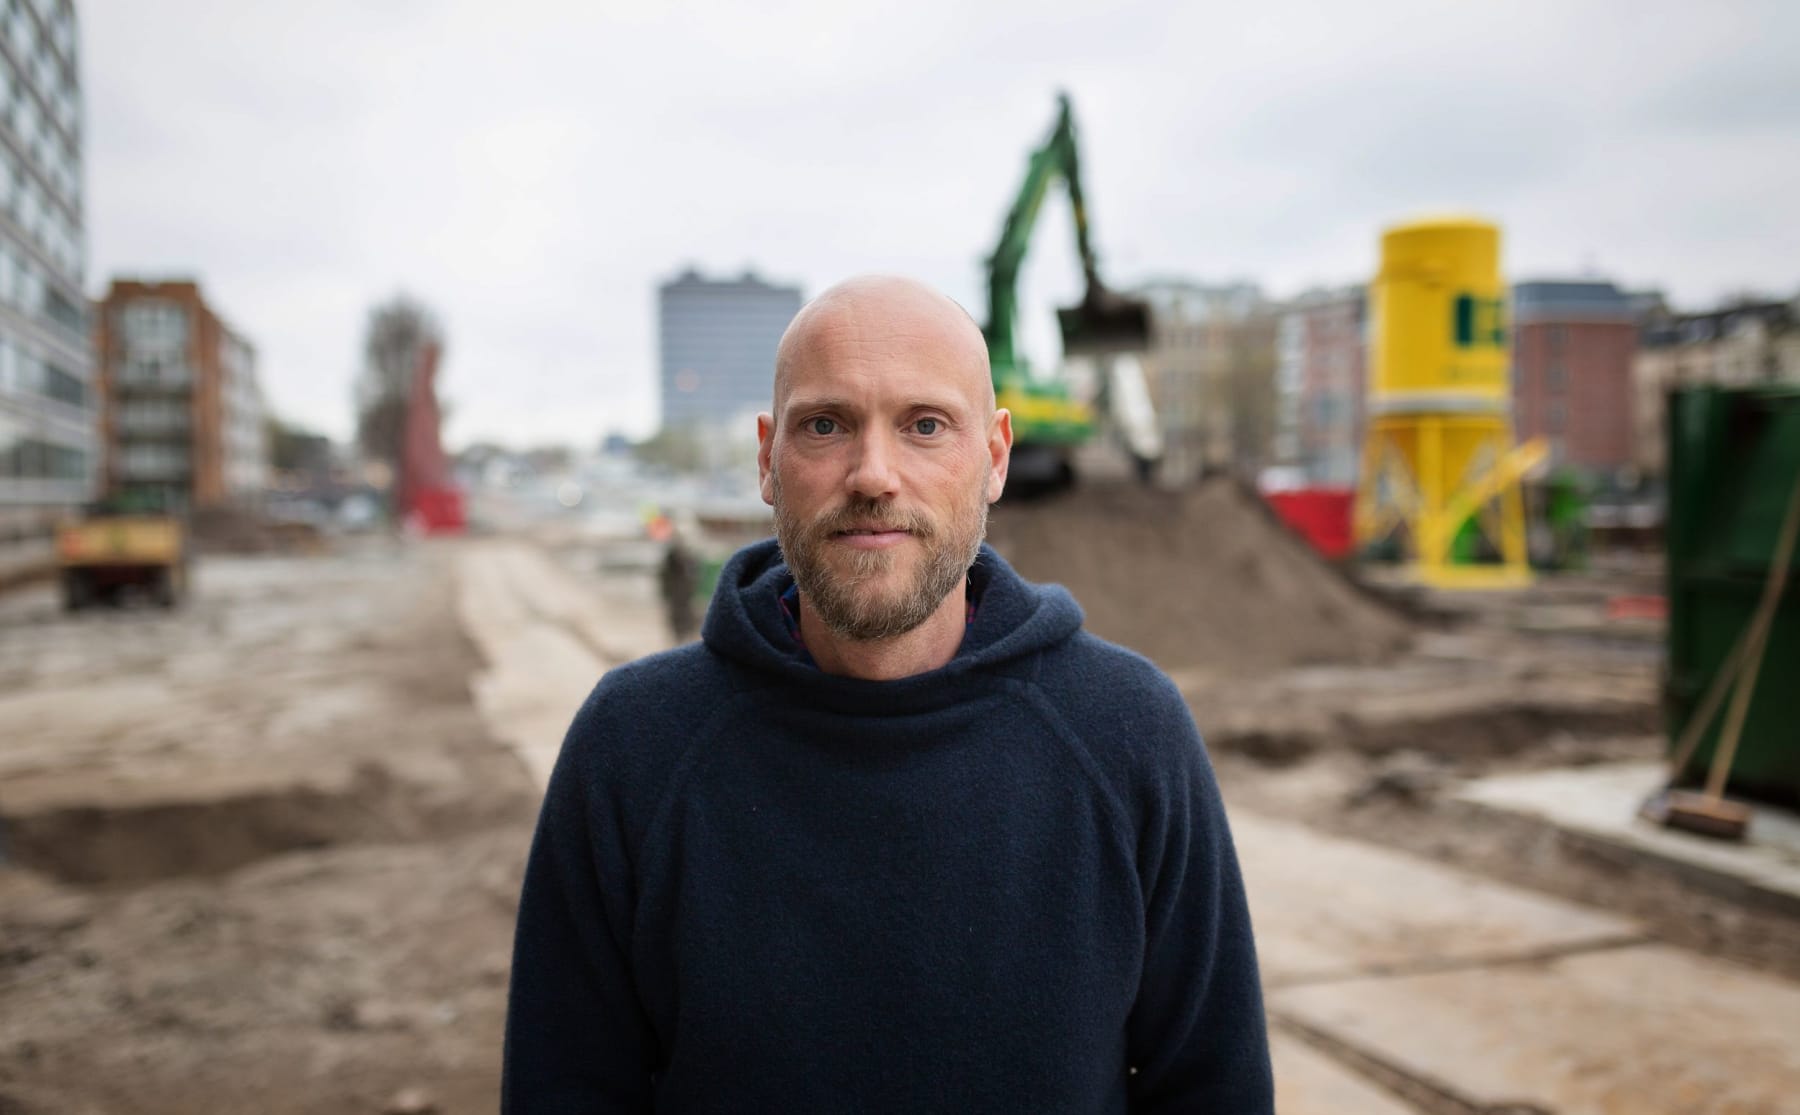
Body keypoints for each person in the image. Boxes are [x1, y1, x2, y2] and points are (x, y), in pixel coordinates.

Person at [503, 276, 1273, 1112]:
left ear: (996, 457)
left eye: (926, 426)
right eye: (826, 424)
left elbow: (1214, 1090)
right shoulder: (632, 750)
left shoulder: (1129, 734)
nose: (874, 474)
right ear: (768, 457)